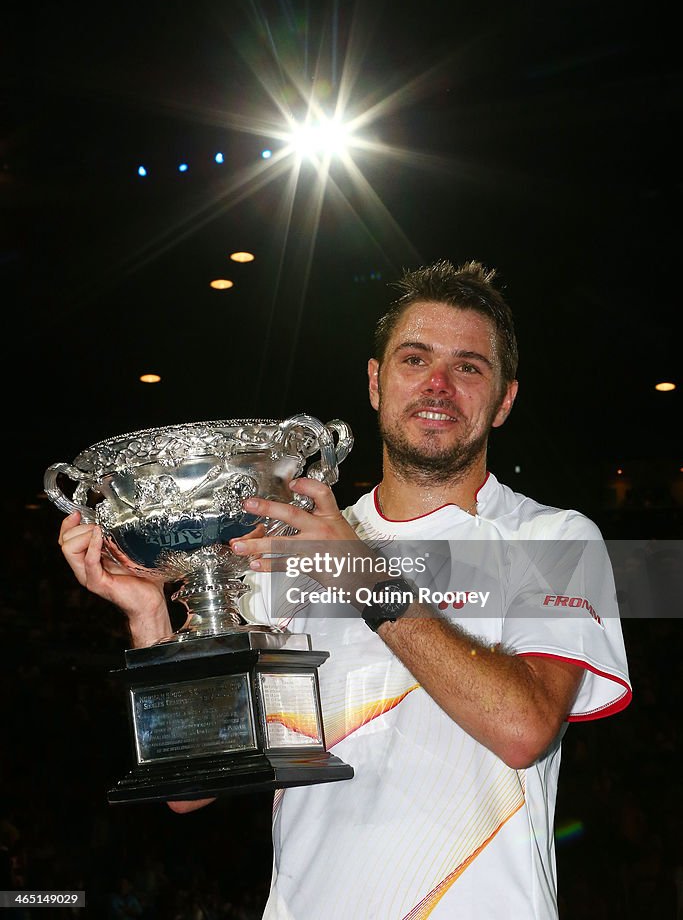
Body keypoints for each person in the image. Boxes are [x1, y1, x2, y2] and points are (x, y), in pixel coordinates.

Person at [59, 260, 631, 919]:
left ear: (502, 400)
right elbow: (191, 786)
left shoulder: (549, 537)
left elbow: (522, 728)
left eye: (469, 367)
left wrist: (357, 571)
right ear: (374, 382)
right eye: (414, 359)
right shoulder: (282, 545)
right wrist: (150, 618)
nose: (438, 385)